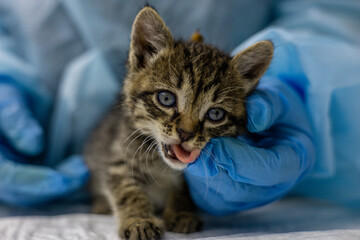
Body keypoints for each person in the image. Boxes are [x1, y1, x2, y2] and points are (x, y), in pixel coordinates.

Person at [0, 0, 360, 214]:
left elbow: (331, 14)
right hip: (46, 137)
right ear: (141, 55)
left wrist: (298, 81)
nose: (187, 130)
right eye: (169, 101)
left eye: (213, 114)